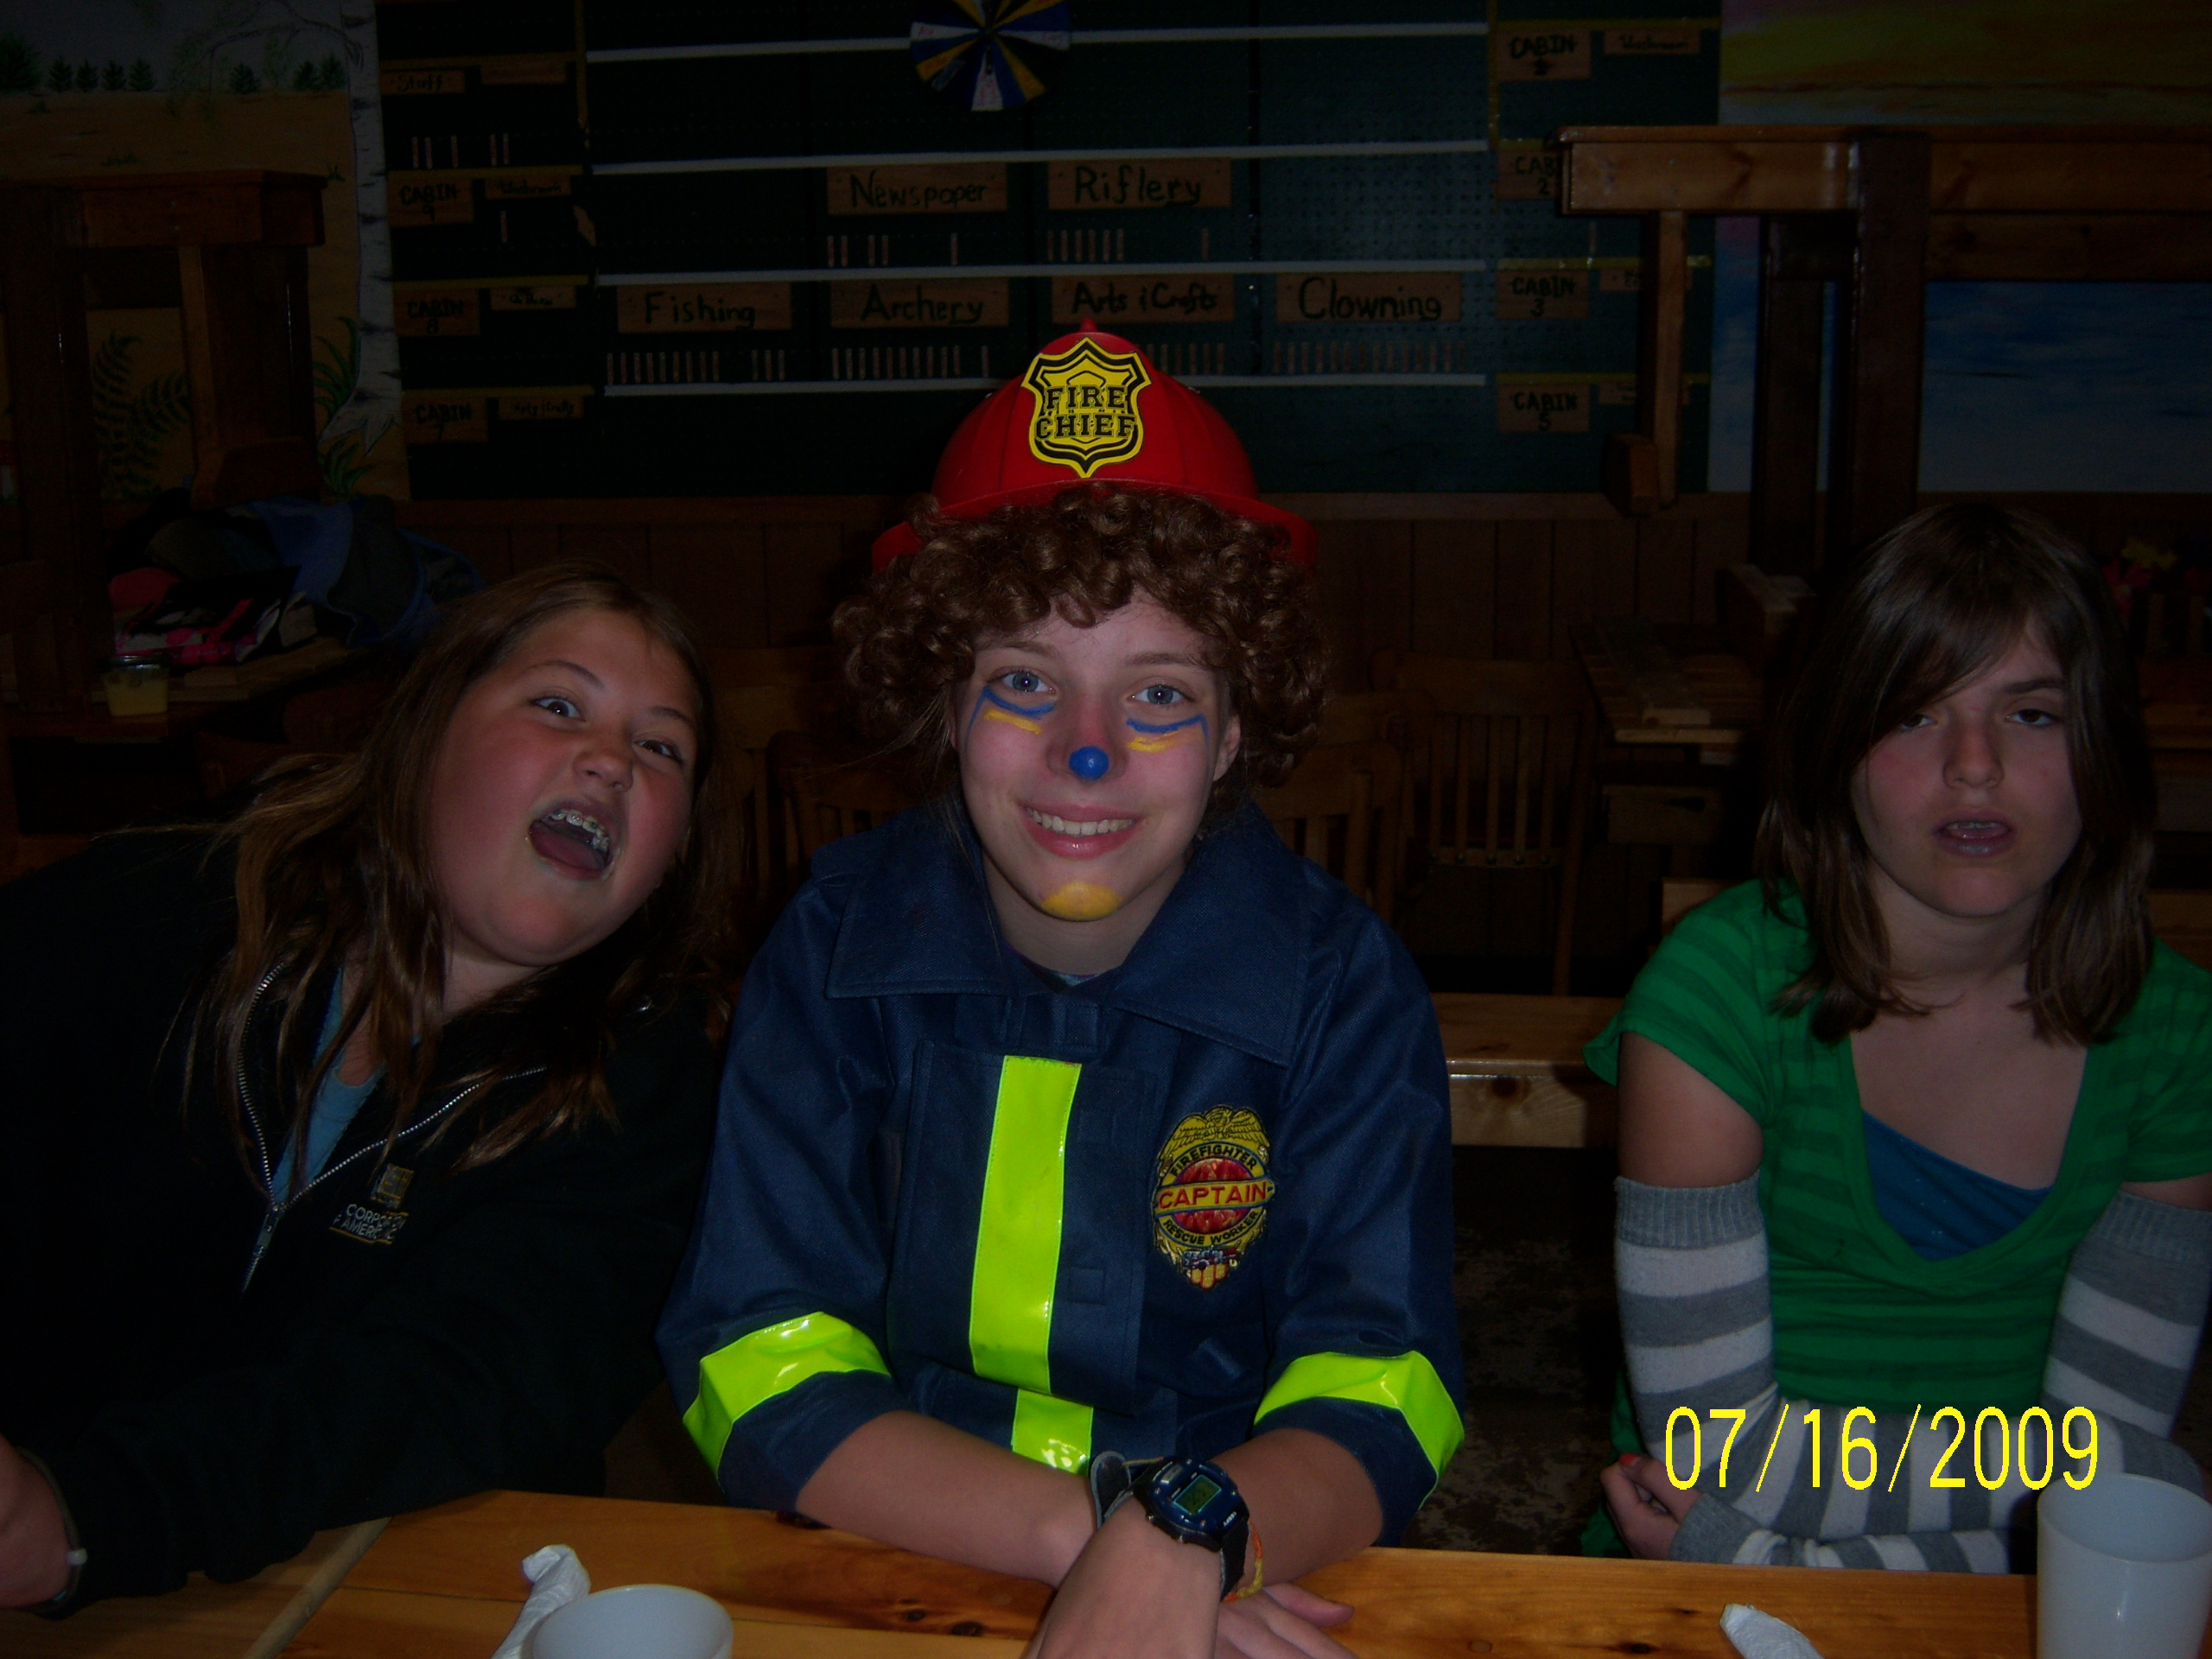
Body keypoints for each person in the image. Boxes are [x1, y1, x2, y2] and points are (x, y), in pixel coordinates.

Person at [658, 325, 1464, 1659]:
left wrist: (1197, 1537)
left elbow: (1386, 1380)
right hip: (904, 1550)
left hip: (1247, 1566)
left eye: (1159, 694)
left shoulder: (1342, 984)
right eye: (1025, 681)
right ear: (947, 707)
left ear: (1234, 733)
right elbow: (755, 1349)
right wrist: (1125, 1540)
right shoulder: (832, 945)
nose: (1085, 756)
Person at [0, 564, 740, 1613]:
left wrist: (86, 1520)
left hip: (389, 1592)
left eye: (662, 748)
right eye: (557, 704)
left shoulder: (650, 1092)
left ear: (672, 856)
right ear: (426, 731)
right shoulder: (148, 915)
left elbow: (457, 1389)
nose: (612, 760)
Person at [1588, 505, 2212, 1570]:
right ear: (1834, 747)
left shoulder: (2177, 1037)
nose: (1974, 765)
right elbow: (1721, 1460)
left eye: (2032, 714)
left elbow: (2104, 1494)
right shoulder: (1715, 997)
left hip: (1810, 1568)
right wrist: (2081, 1484)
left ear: (2101, 748)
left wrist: (1778, 1565)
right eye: (1914, 715)